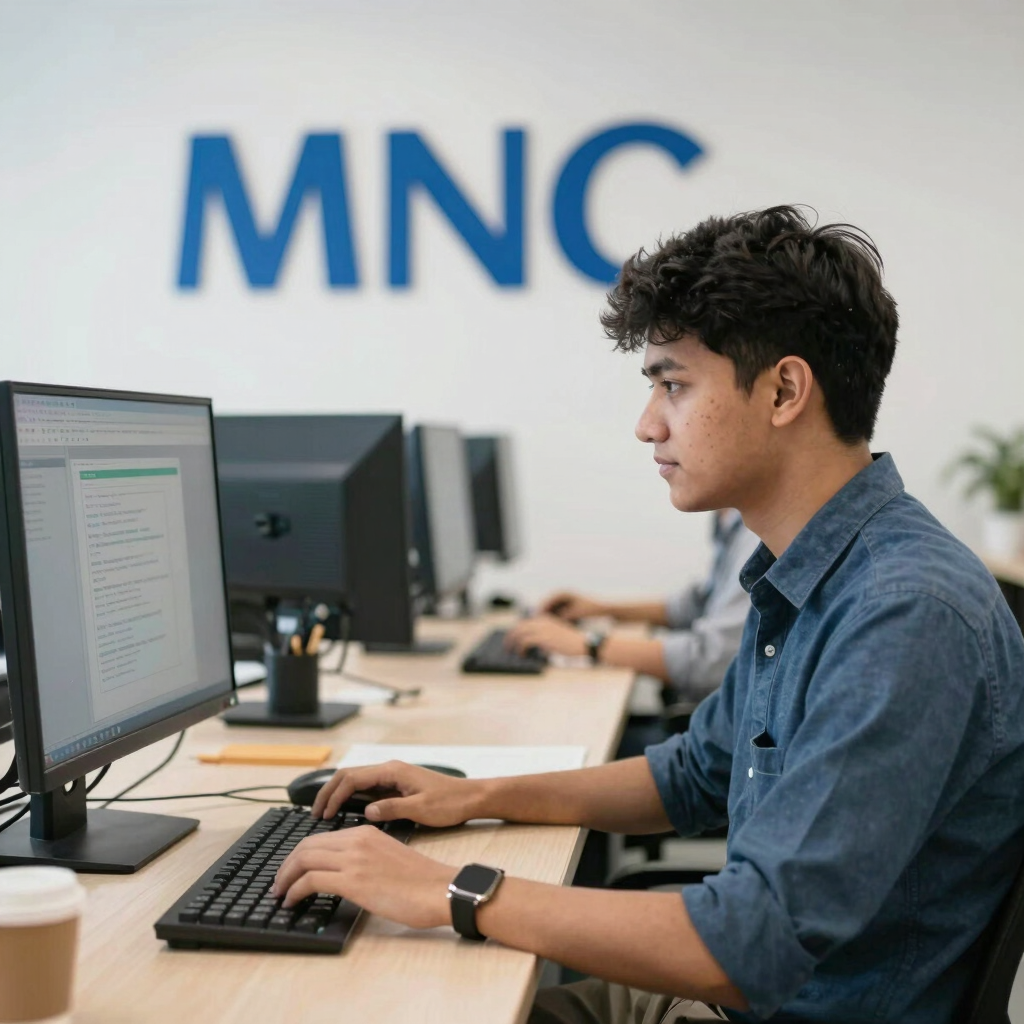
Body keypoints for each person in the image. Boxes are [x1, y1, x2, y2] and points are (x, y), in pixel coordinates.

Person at [270, 206, 1024, 1023]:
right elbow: (695, 774)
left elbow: (749, 942)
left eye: (674, 384)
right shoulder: (814, 575)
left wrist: (452, 889)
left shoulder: (904, 612)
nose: (647, 424)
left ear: (783, 390)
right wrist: (473, 794)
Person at [504, 509, 759, 704]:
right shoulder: (731, 518)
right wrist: (603, 609)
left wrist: (587, 644)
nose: (649, 436)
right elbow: (693, 605)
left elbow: (709, 663)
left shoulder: (757, 534)